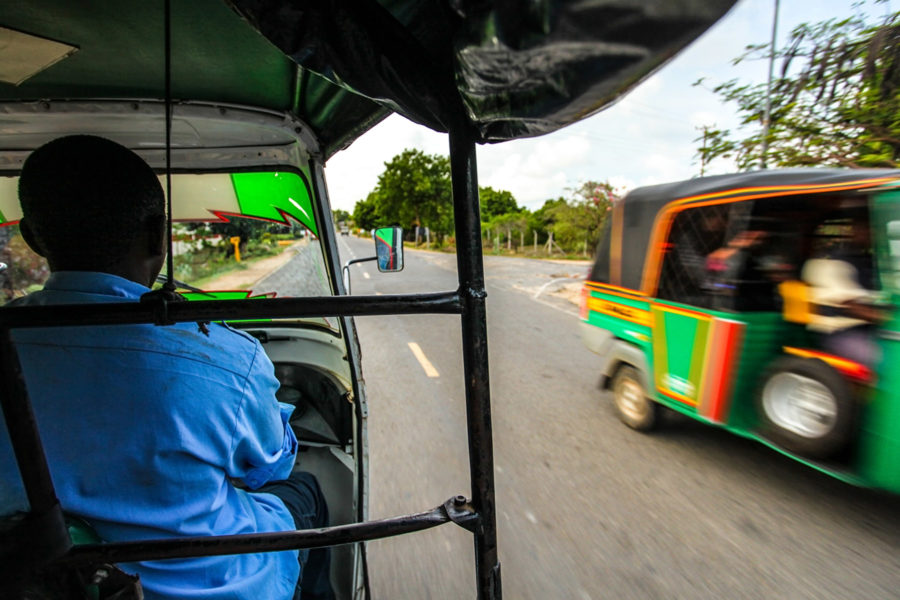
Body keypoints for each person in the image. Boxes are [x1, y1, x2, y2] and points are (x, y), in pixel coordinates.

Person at [0, 135, 333, 600]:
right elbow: (269, 467)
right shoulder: (223, 355)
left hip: (38, 581)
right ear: (159, 236)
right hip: (220, 588)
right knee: (306, 492)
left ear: (33, 239)